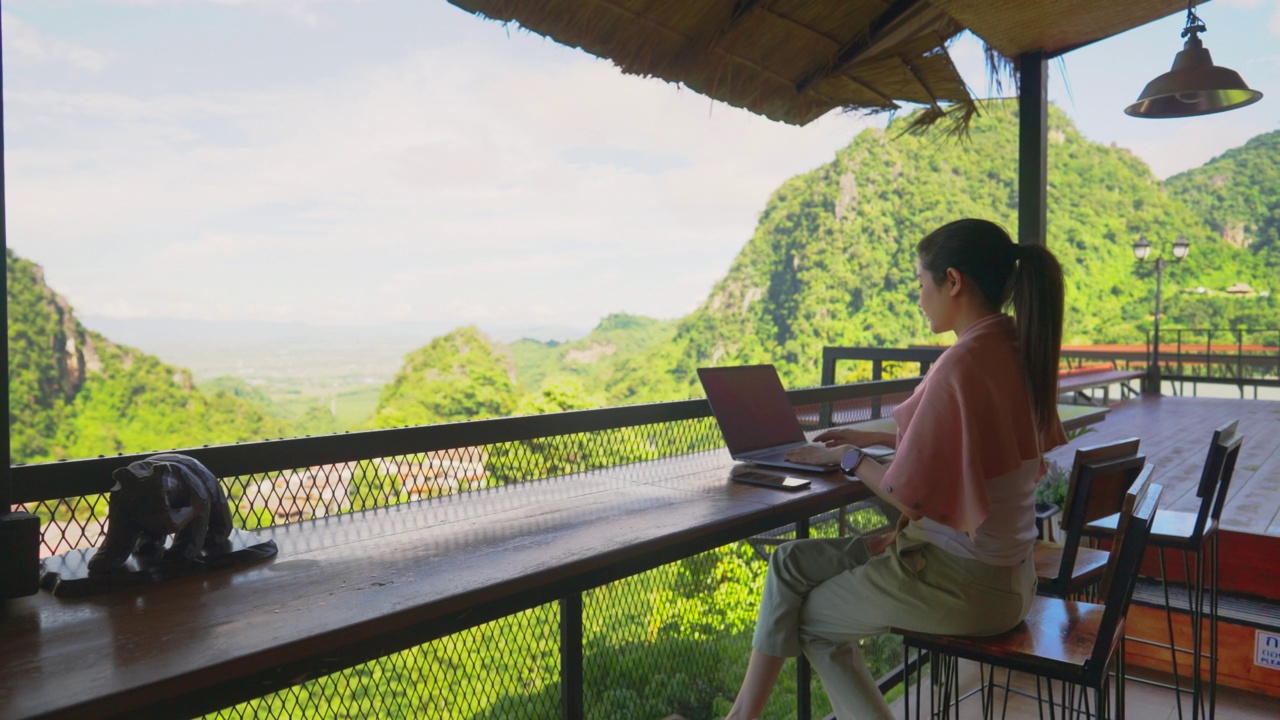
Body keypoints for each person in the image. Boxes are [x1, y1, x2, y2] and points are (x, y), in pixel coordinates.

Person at [723, 218, 1068, 720]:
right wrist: (879, 439)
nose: (919, 297)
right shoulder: (1012, 344)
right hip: (1011, 575)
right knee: (790, 562)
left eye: (921, 283)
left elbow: (910, 499)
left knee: (809, 621)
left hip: (964, 582)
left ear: (953, 281)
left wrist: (848, 458)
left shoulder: (963, 362)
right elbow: (973, 445)